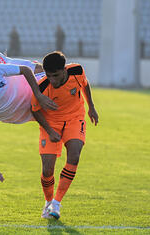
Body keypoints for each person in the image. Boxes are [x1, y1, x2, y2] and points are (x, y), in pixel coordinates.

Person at [0, 47, 58, 182]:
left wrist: (38, 94)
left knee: (47, 71)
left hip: (28, 88)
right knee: (36, 72)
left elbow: (25, 71)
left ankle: (7, 61)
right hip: (19, 114)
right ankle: (7, 62)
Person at [30, 51, 98, 219]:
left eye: (56, 75)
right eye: (49, 76)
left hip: (75, 118)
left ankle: (57, 203)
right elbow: (35, 110)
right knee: (47, 170)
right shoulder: (42, 86)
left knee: (74, 155)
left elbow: (85, 83)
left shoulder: (76, 71)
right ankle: (48, 201)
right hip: (51, 123)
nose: (52, 80)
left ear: (64, 70)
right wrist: (50, 130)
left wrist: (91, 107)